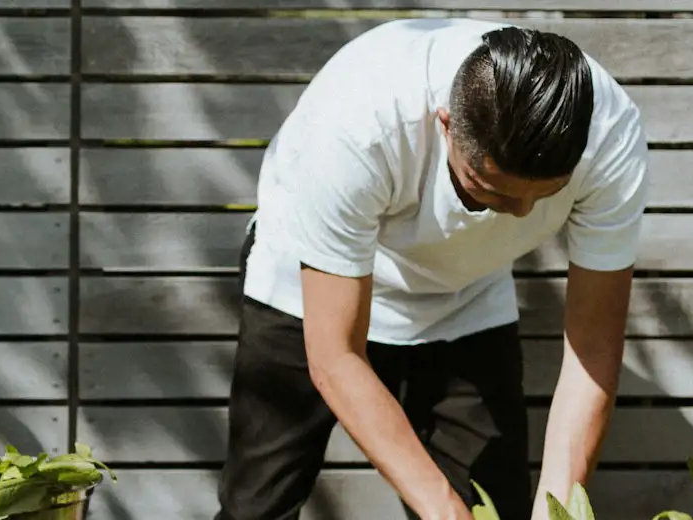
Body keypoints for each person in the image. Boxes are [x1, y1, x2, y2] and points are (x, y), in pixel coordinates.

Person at [216, 18, 648, 520]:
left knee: (495, 509)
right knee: (256, 509)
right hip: (306, 287)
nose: (523, 215)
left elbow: (592, 351)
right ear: (445, 124)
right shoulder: (359, 120)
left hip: (463, 296)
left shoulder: (610, 136)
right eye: (492, 190)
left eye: (545, 195)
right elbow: (335, 356)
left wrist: (558, 512)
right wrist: (442, 508)